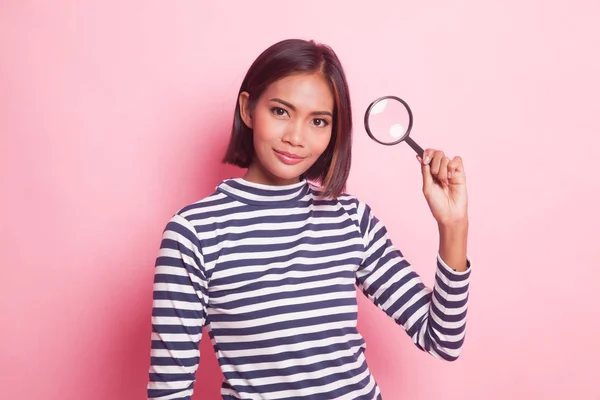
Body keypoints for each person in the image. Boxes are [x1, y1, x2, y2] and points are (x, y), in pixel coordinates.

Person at [146, 38, 471, 400]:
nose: (296, 137)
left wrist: (453, 226)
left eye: (318, 121)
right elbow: (169, 391)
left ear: (333, 132)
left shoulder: (351, 219)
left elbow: (443, 339)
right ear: (248, 109)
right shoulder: (193, 234)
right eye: (281, 111)